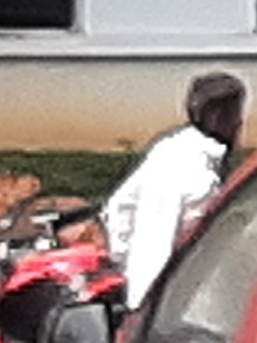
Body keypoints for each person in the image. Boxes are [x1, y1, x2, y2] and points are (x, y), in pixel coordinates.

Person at [100, 70, 245, 291]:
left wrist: (127, 263)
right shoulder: (199, 175)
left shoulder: (167, 149)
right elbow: (188, 241)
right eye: (235, 115)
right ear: (218, 116)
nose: (239, 124)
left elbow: (117, 209)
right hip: (172, 296)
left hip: (143, 289)